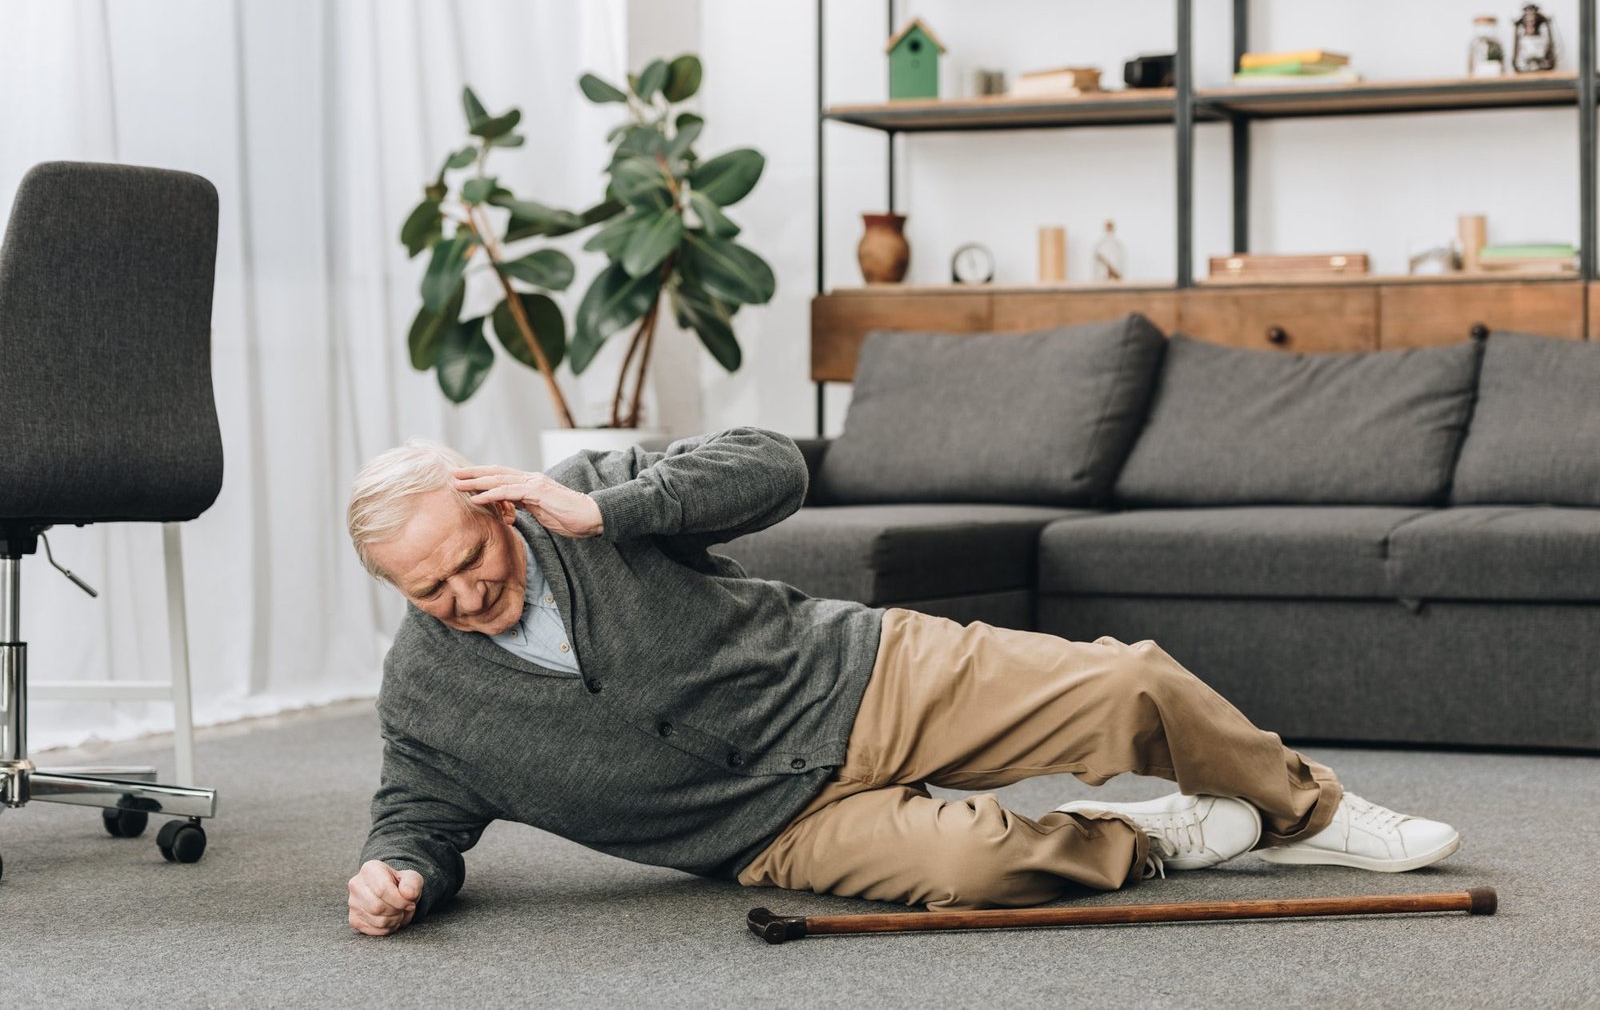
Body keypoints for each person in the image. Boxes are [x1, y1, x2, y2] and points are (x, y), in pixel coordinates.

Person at [342, 427, 1460, 937]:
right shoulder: (428, 697)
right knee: (982, 865)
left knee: (1125, 686)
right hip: (767, 829)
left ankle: (1305, 809)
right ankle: (1151, 839)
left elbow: (772, 467)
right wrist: (397, 871)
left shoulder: (586, 497)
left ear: (496, 506)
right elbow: (419, 812)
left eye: (472, 560)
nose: (464, 594)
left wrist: (611, 508)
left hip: (862, 672)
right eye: (426, 588)